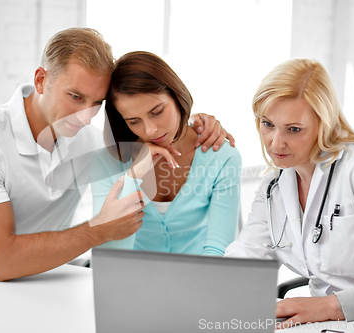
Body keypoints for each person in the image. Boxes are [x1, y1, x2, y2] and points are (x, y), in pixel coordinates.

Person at [0, 28, 233, 311]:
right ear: (41, 80)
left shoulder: (88, 140)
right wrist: (99, 229)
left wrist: (199, 124)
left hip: (39, 281)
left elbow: (147, 122)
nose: (84, 116)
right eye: (75, 96)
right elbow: (3, 262)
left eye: (96, 103)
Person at [224, 58, 354, 327]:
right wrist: (211, 289)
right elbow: (247, 258)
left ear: (324, 124)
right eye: (267, 124)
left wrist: (330, 306)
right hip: (326, 325)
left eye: (294, 129)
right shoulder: (273, 187)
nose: (275, 142)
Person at [90, 51, 242, 256]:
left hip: (200, 278)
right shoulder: (105, 162)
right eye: (134, 121)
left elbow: (218, 248)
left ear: (177, 96)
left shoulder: (221, 157)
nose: (150, 130)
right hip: (131, 280)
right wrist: (134, 177)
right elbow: (110, 251)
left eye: (157, 111)